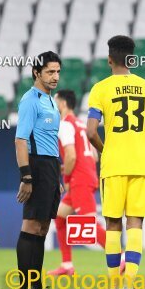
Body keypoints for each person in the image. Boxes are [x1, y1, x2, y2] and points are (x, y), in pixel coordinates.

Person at [86, 35, 145, 289]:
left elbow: (90, 131)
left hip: (113, 166)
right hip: (141, 166)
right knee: (135, 226)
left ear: (109, 59)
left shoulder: (100, 89)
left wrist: (105, 149)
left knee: (112, 225)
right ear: (132, 59)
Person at [14, 51, 65, 289]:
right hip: (36, 166)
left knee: (43, 227)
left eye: (57, 72)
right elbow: (21, 140)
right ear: (37, 73)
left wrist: (58, 177)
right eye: (50, 72)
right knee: (31, 225)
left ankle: (37, 286)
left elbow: (50, 139)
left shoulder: (51, 100)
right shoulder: (30, 100)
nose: (55, 77)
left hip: (51, 167)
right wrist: (26, 176)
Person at [47, 89, 111, 276]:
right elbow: (93, 156)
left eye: (55, 101)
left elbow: (72, 156)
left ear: (63, 104)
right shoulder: (82, 125)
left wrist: (67, 175)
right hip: (86, 176)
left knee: (89, 224)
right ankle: (67, 265)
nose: (53, 104)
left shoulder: (65, 124)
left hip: (79, 180)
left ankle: (121, 258)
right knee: (60, 216)